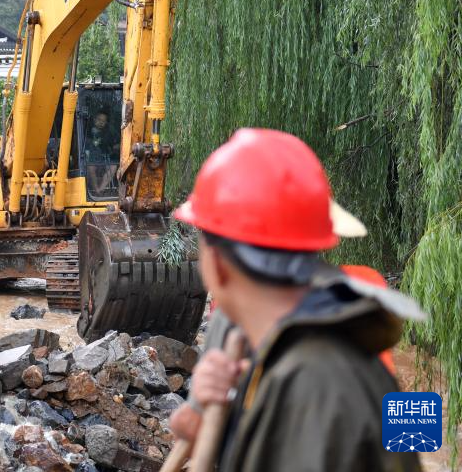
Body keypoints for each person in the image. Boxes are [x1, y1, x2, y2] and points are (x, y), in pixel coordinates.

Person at [170, 128, 424, 472]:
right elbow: (192, 432)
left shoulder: (315, 380)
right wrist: (210, 399)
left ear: (218, 264)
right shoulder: (251, 330)